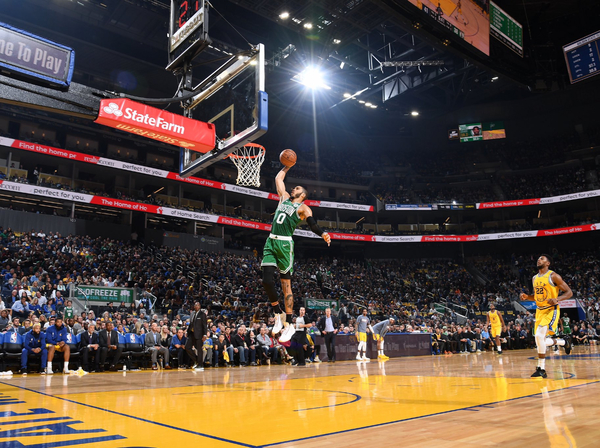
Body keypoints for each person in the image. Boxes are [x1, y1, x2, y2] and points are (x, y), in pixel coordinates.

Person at [261, 161, 331, 343]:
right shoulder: (283, 197)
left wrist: (323, 233)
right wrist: (287, 166)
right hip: (271, 241)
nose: (293, 189)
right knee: (267, 280)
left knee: (286, 287)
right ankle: (278, 314)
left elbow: (312, 224)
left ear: (303, 195)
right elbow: (278, 178)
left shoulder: (303, 208)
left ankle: (290, 324)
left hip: (285, 246)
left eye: (297, 188)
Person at [520, 254, 573, 378]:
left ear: (548, 263)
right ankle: (563, 341)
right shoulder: (534, 278)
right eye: (538, 258)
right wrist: (527, 297)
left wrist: (558, 299)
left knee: (539, 336)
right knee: (539, 340)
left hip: (551, 310)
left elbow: (569, 292)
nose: (539, 260)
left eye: (542, 259)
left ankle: (541, 369)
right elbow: (537, 296)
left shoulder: (553, 276)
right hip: (539, 311)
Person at [185, 301, 207, 371]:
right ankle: (197, 360)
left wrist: (205, 334)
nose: (197, 306)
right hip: (191, 333)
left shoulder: (202, 314)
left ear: (200, 306)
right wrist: (187, 331)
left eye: (198, 305)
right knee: (187, 347)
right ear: (194, 307)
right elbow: (191, 324)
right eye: (195, 305)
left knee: (199, 349)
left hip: (199, 334)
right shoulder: (192, 314)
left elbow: (204, 325)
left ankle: (200, 365)